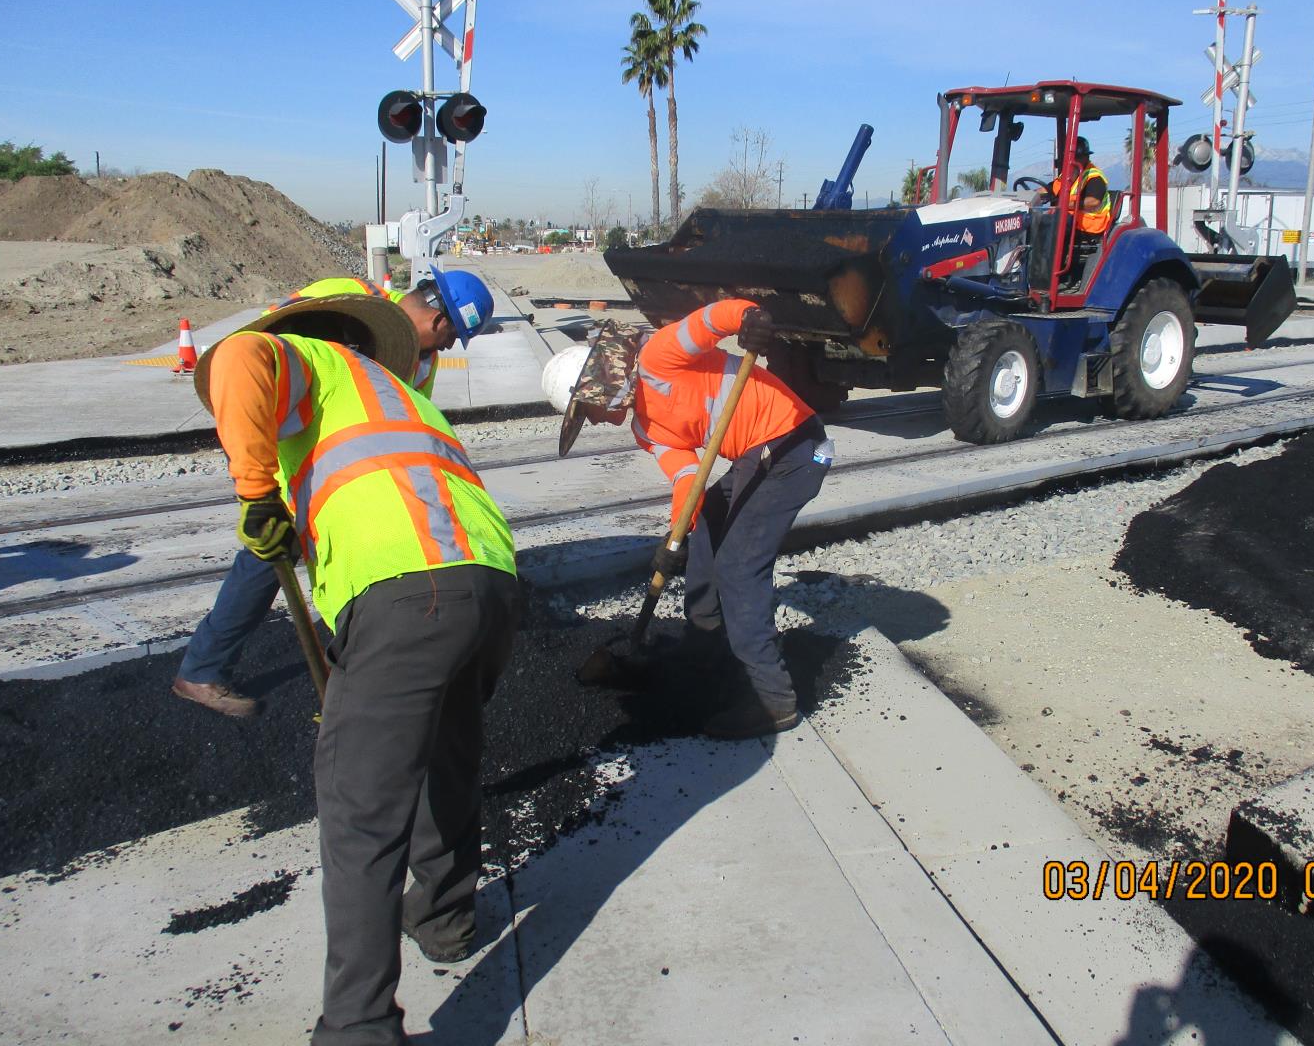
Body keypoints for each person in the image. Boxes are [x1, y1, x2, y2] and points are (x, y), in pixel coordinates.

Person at [192, 291, 520, 1044]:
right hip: (490, 583)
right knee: (448, 755)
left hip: (412, 595)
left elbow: (241, 356)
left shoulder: (313, 359)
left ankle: (358, 1025)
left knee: (360, 814)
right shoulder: (396, 396)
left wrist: (254, 490)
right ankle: (443, 918)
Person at [171, 266, 495, 717]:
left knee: (347, 568)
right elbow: (260, 350)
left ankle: (345, 679)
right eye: (449, 337)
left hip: (340, 478)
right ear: (440, 321)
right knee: (268, 558)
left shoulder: (423, 363)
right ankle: (203, 671)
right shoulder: (349, 297)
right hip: (278, 445)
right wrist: (257, 486)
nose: (444, 348)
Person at [554, 300, 832, 739]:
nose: (595, 421)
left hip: (794, 446)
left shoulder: (658, 358)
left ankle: (773, 700)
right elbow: (688, 482)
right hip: (752, 458)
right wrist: (674, 539)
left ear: (599, 386)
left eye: (588, 411)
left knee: (739, 567)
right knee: (706, 526)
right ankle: (705, 650)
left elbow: (711, 319)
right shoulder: (645, 430)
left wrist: (749, 320)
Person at [1037, 138, 1111, 284]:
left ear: (1083, 158)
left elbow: (1093, 202)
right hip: (1072, 220)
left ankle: (1048, 274)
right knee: (1037, 221)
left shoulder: (1094, 177)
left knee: (1056, 224)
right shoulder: (1067, 177)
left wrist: (1066, 203)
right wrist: (1029, 197)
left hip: (1090, 225)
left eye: (1074, 158)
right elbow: (1048, 190)